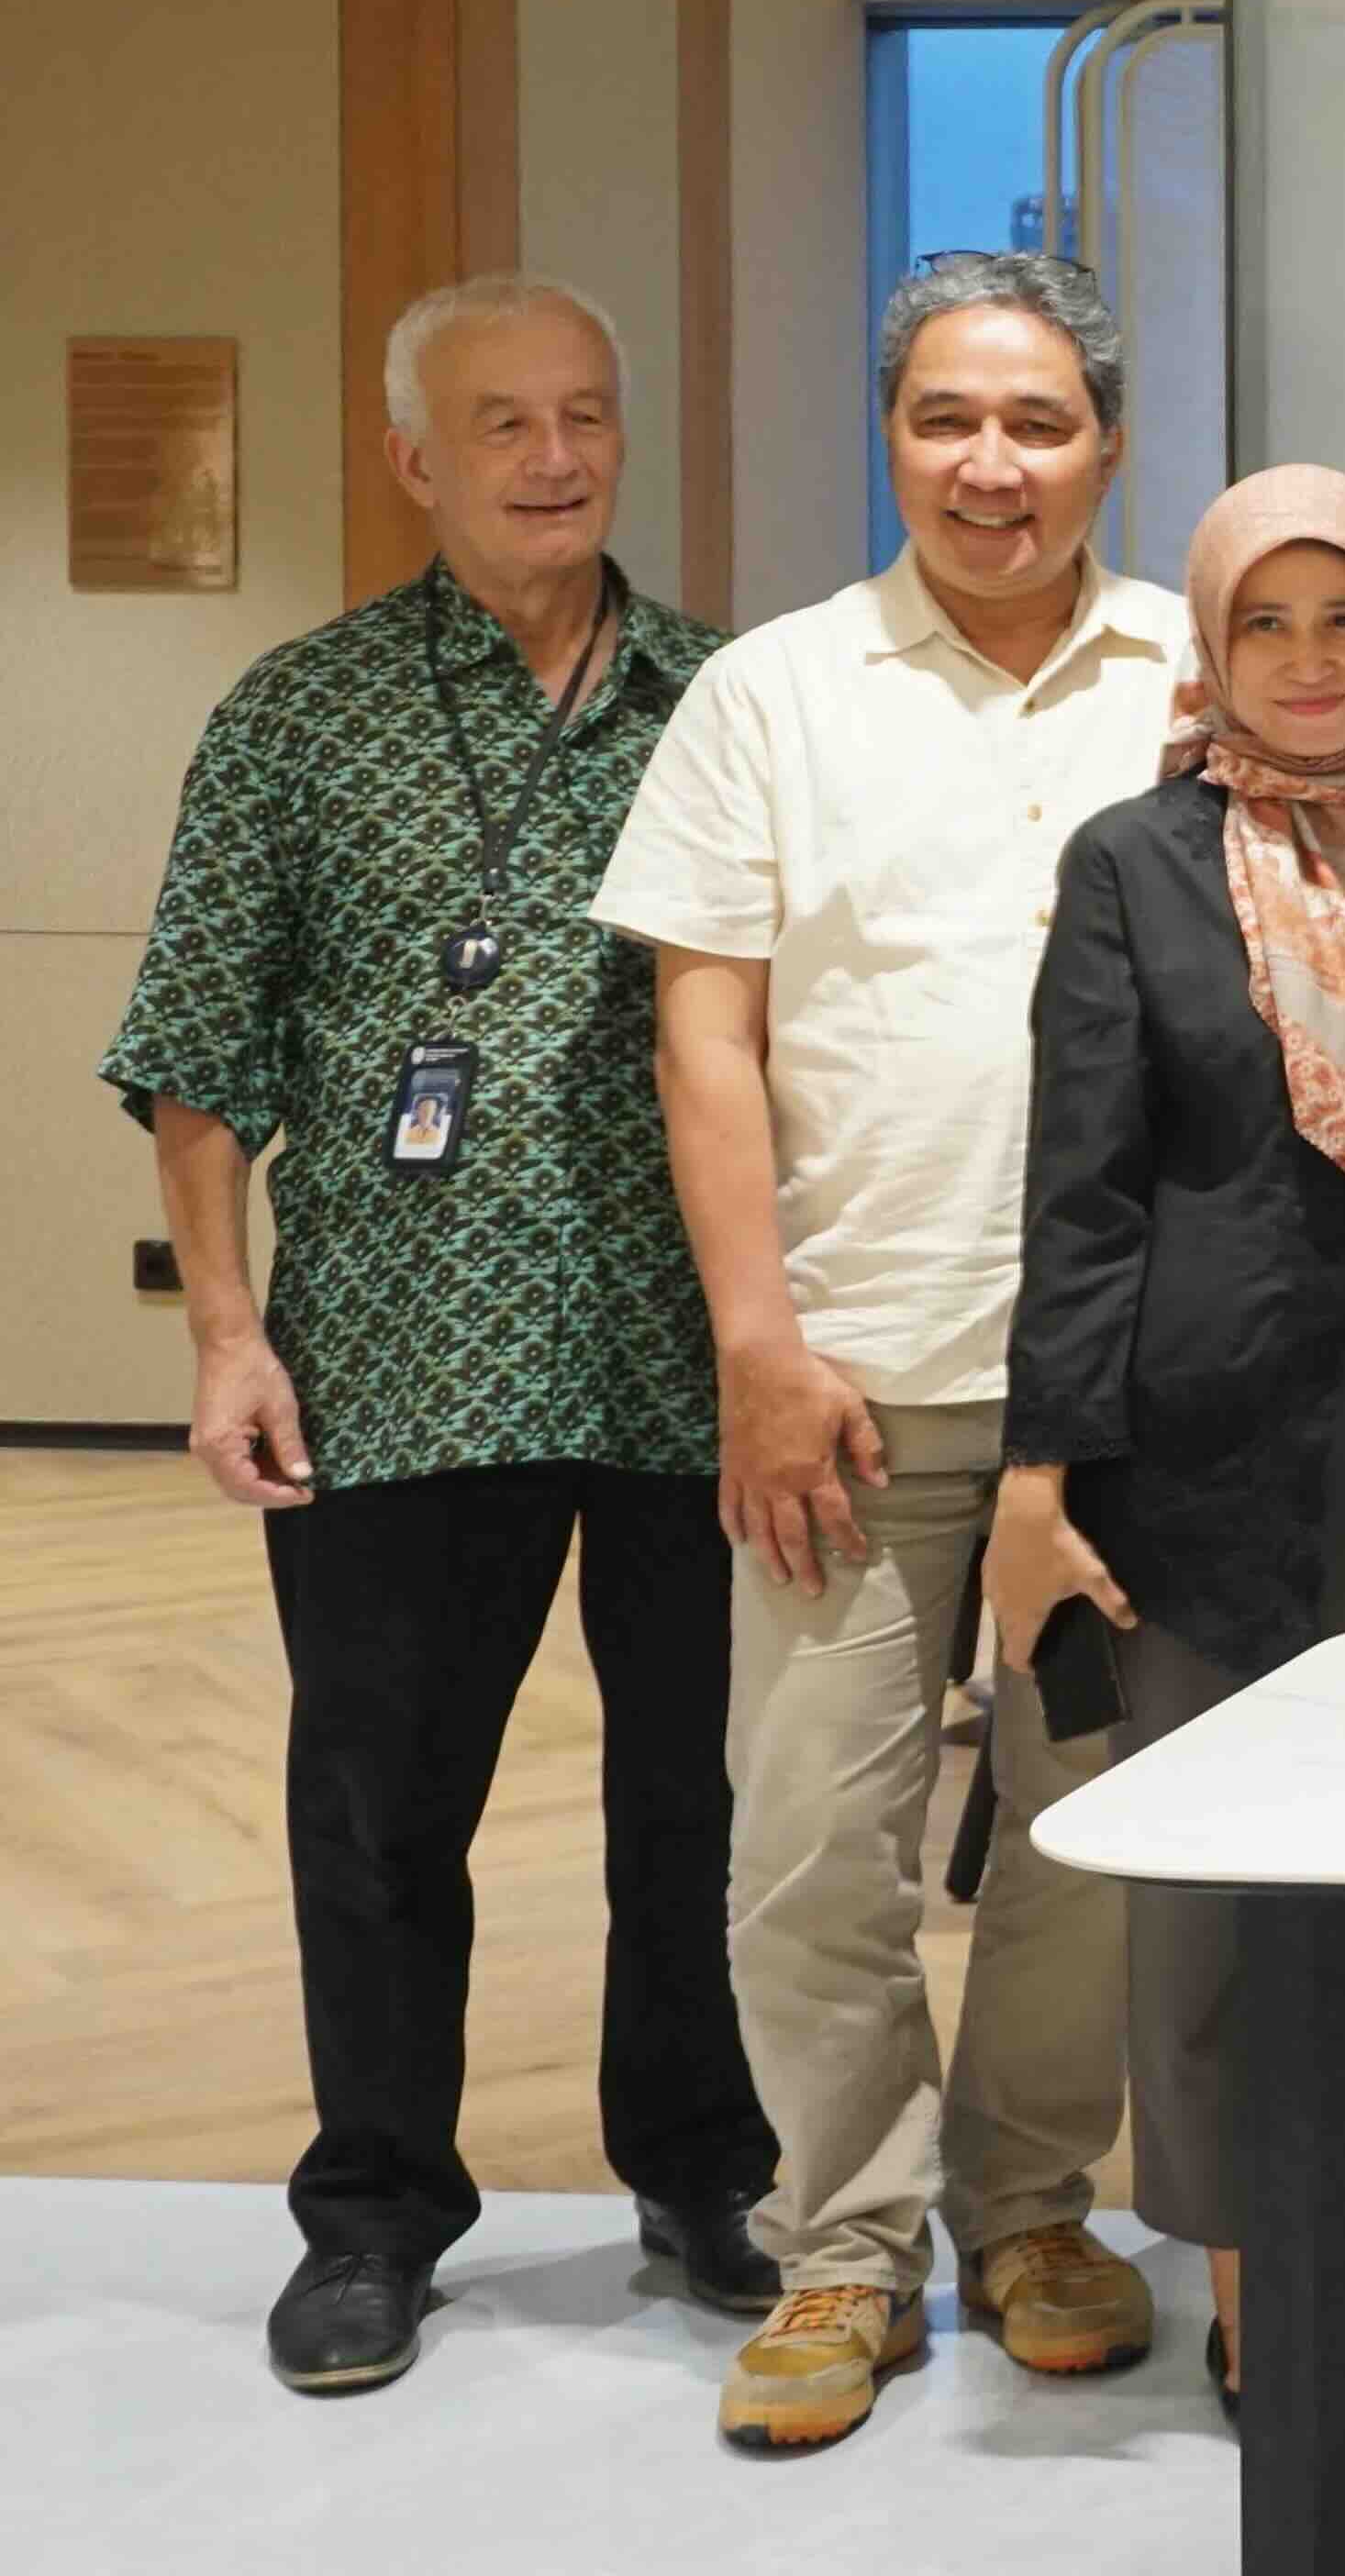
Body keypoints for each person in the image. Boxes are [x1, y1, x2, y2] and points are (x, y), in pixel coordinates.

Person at [104, 274, 779, 2395]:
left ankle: (704, 2164)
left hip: (692, 1355)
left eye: (584, 413)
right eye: (503, 423)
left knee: (709, 1797)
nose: (555, 455)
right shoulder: (299, 713)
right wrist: (226, 1331)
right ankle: (376, 2208)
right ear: (415, 456)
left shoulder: (729, 700)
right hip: (395, 1361)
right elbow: (199, 1055)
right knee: (383, 1803)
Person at [592, 251, 1184, 2452]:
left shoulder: (1198, 674)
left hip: (1121, 1396)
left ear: (1106, 439)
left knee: (1082, 1825)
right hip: (849, 1377)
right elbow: (706, 1031)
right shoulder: (771, 690)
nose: (991, 462)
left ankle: (1034, 2210)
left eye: (1035, 420)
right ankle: (845, 2240)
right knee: (806, 1841)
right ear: (893, 434)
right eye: (947, 417)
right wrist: (755, 1333)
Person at [989, 468, 1345, 2415]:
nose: (1308, 663)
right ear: (1211, 643)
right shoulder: (1136, 860)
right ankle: (1251, 2283)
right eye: (1266, 624)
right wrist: (1042, 1472)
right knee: (1220, 1909)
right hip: (1202, 1464)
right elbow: (1083, 1189)